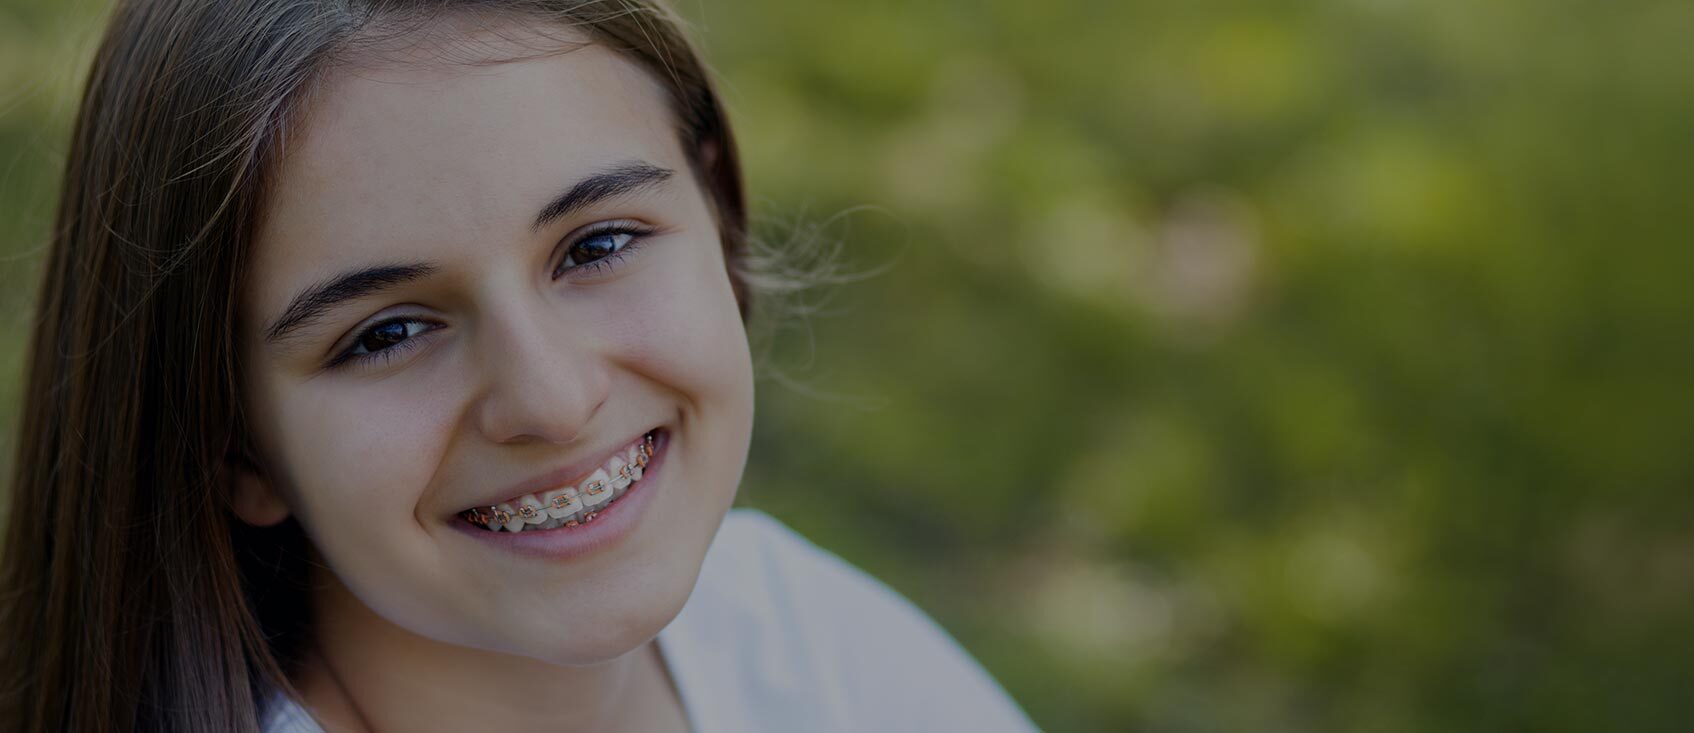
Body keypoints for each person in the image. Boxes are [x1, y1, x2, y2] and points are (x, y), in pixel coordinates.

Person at [0, 1, 1039, 731]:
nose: (550, 397)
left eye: (596, 246)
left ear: (713, 207)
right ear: (230, 441)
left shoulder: (795, 631)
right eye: (387, 332)